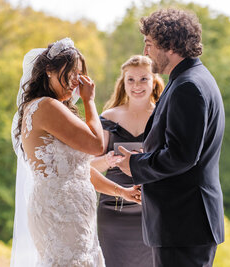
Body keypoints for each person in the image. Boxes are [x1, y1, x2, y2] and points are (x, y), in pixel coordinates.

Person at [10, 38, 141, 267]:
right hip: (60, 213)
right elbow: (97, 145)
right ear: (49, 70)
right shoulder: (45, 107)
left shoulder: (56, 108)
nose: (76, 80)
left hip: (76, 214)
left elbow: (78, 171)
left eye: (79, 73)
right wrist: (90, 101)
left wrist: (122, 192)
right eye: (70, 72)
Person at [116, 9, 225, 267]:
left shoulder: (188, 86)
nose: (146, 53)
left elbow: (182, 156)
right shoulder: (190, 79)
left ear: (172, 45)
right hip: (185, 224)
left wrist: (134, 166)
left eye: (150, 45)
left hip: (183, 224)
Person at [91, 55, 164, 267]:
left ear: (154, 81)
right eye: (130, 79)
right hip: (113, 209)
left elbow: (176, 162)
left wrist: (147, 161)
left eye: (143, 79)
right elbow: (87, 168)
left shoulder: (164, 116)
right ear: (123, 83)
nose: (137, 85)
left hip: (152, 209)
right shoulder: (108, 117)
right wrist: (109, 160)